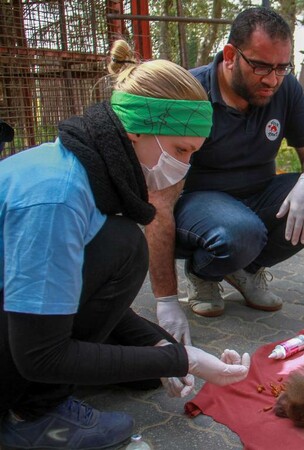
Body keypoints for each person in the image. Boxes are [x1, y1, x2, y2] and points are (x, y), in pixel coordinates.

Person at [0, 39, 250, 450]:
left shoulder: (83, 171)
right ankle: (33, 415)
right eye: (179, 150)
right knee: (125, 247)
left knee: (121, 248)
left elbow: (74, 294)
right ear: (136, 129)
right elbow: (40, 356)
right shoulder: (57, 196)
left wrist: (161, 346)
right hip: (24, 348)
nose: (183, 167)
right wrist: (182, 359)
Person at [149, 6, 304, 322]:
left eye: (283, 67)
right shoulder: (190, 94)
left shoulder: (286, 87)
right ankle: (203, 273)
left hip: (256, 198)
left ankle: (245, 269)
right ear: (230, 55)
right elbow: (158, 202)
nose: (272, 80)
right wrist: (165, 299)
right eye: (260, 66)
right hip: (196, 205)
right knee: (241, 232)